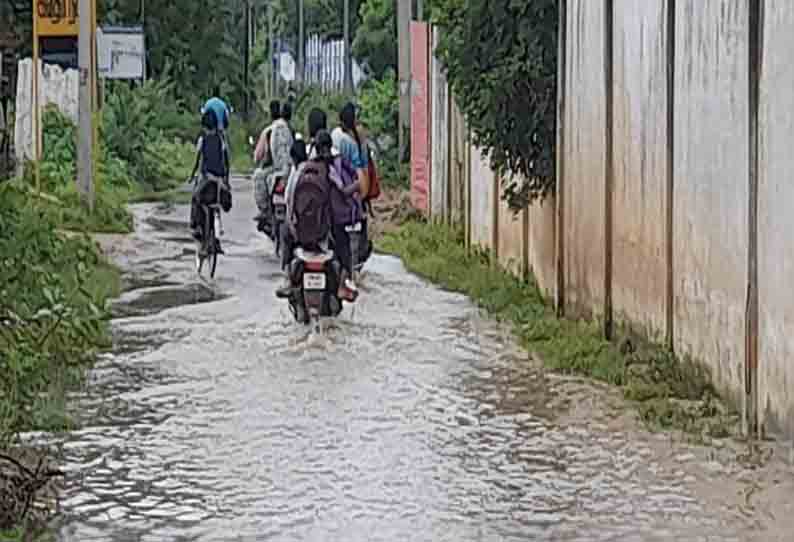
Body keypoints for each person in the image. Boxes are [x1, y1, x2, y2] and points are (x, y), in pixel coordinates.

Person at [331, 102, 373, 264]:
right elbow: (362, 171)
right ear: (354, 121)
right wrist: (363, 195)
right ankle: (355, 263)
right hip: (353, 193)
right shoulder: (356, 143)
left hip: (335, 191)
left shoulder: (334, 135)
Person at [188, 110, 230, 247]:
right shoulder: (221, 139)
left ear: (204, 125)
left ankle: (195, 226)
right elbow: (226, 162)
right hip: (219, 180)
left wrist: (191, 175)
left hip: (207, 179)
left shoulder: (202, 140)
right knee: (218, 202)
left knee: (195, 198)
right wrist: (226, 180)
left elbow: (197, 160)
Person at [253, 100, 293, 229]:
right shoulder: (291, 130)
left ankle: (264, 211)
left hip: (276, 172)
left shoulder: (269, 130)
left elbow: (258, 156)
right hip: (290, 172)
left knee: (258, 175)